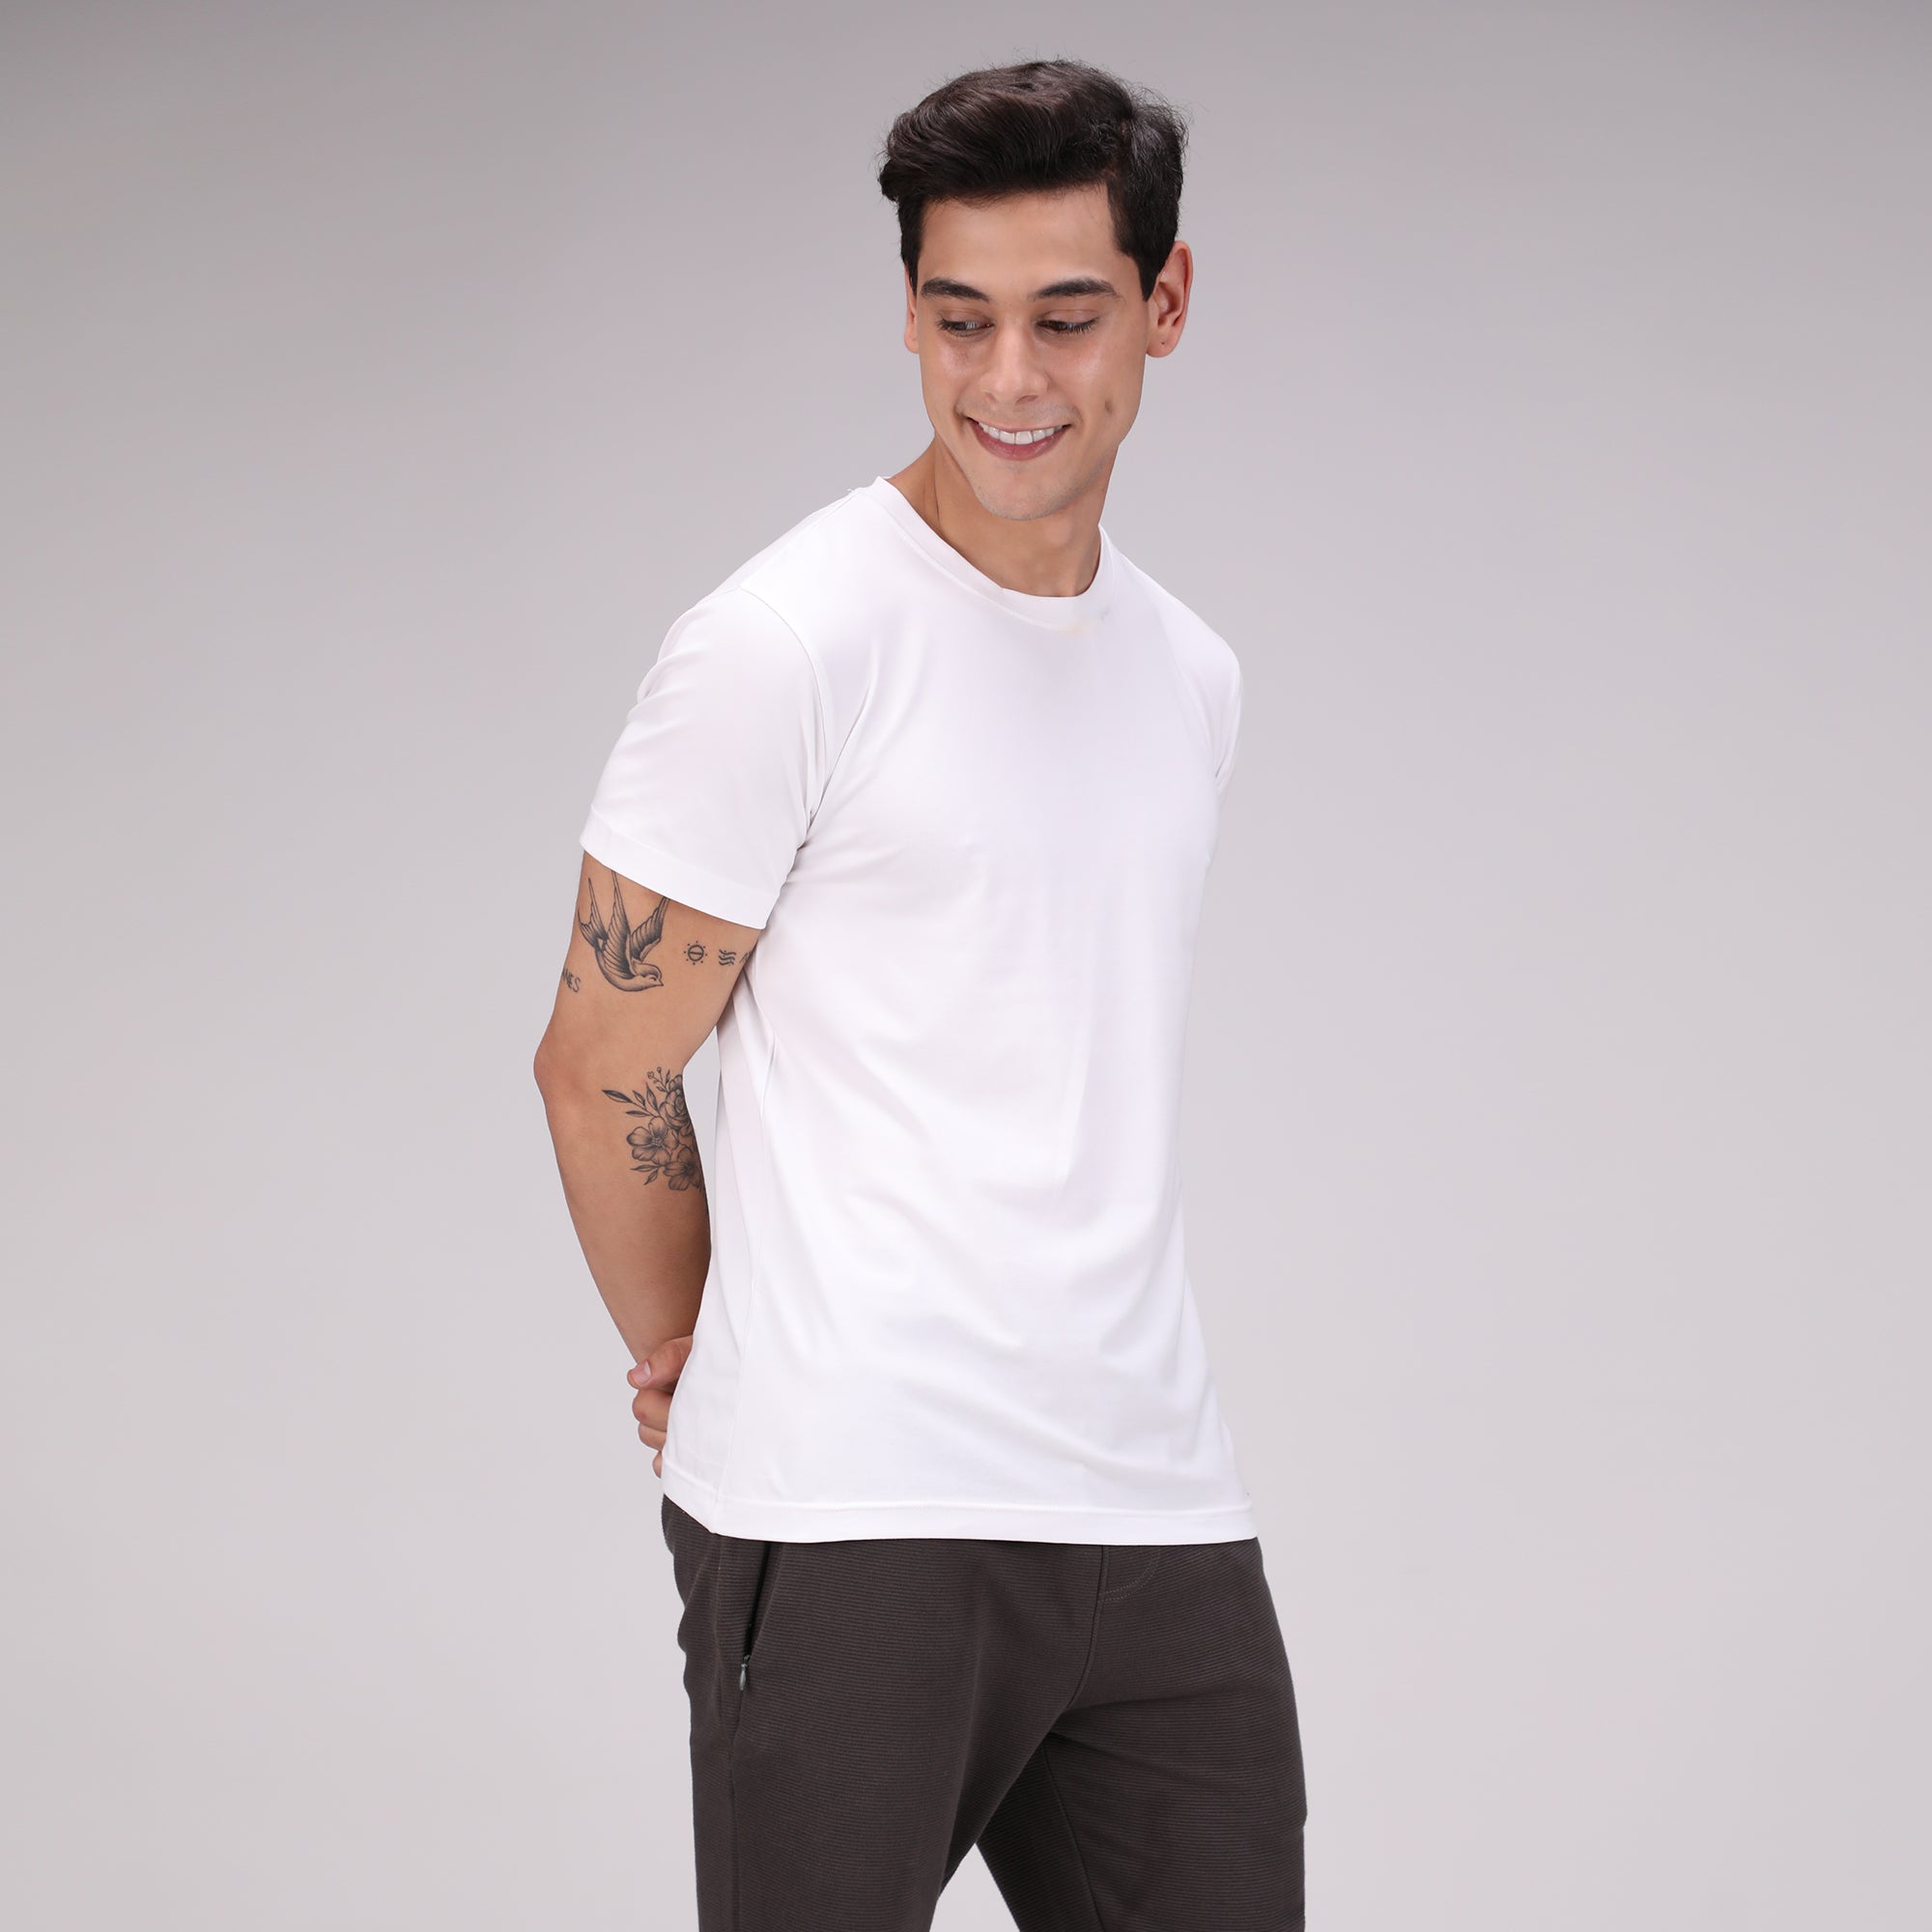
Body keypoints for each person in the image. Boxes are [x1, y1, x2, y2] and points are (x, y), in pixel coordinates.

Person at [533, 55, 1308, 1932]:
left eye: (1066, 316)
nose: (1008, 378)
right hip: (854, 1504)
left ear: (1167, 303)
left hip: (1152, 1503)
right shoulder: (787, 645)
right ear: (907, 314)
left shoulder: (1189, 675)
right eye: (959, 320)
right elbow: (602, 1059)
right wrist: (707, 1349)